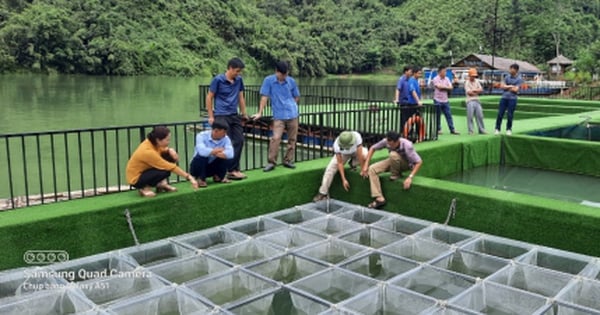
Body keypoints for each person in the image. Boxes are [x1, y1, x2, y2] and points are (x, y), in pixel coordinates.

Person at [252, 61, 300, 172]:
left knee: (292, 139)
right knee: (276, 138)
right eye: (282, 74)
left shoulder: (291, 81)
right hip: (279, 115)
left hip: (292, 114)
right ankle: (271, 162)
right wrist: (260, 112)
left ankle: (288, 160)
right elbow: (264, 97)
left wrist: (291, 104)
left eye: (286, 74)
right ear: (276, 71)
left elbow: (296, 96)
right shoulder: (269, 81)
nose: (284, 76)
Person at [206, 57, 249, 180]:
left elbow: (241, 97)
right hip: (221, 114)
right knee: (227, 143)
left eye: (239, 71)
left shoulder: (239, 80)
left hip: (234, 114)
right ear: (230, 68)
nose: (238, 73)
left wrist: (244, 113)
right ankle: (221, 172)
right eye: (236, 70)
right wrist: (211, 116)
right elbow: (209, 97)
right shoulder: (218, 80)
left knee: (239, 140)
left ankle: (233, 169)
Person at [126, 126, 198, 197]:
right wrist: (189, 177)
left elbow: (161, 150)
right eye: (167, 140)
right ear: (158, 140)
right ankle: (144, 188)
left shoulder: (152, 143)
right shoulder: (148, 152)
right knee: (166, 169)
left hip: (145, 171)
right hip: (136, 179)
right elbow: (169, 167)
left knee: (168, 159)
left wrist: (170, 150)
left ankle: (161, 184)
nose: (168, 142)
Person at [362, 131, 423, 209]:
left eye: (391, 144)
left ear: (397, 141)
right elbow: (372, 148)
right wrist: (366, 165)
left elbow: (419, 162)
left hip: (406, 164)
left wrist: (410, 177)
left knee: (393, 154)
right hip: (393, 160)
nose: (389, 145)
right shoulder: (386, 141)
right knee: (372, 169)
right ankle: (379, 198)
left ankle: (395, 174)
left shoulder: (407, 145)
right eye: (388, 143)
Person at [313, 131, 368, 202]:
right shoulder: (336, 145)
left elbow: (360, 154)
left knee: (366, 155)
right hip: (343, 154)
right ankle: (323, 193)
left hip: (356, 152)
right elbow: (340, 163)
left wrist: (363, 169)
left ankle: (353, 163)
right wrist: (344, 179)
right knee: (330, 169)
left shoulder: (357, 136)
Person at [189, 122, 234, 187]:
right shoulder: (201, 136)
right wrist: (217, 150)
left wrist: (211, 152)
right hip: (197, 167)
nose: (225, 134)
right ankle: (201, 179)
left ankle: (219, 176)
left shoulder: (226, 138)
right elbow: (202, 152)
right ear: (216, 131)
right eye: (223, 132)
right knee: (201, 157)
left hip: (212, 166)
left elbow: (230, 154)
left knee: (226, 157)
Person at [494, 63, 523, 136]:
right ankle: (497, 128)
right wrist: (510, 86)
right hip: (504, 98)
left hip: (512, 99)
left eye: (511, 69)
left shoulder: (519, 79)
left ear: (515, 70)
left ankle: (508, 129)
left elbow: (516, 90)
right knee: (500, 113)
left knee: (510, 114)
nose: (510, 70)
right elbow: (502, 86)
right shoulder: (507, 77)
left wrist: (507, 87)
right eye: (510, 69)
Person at [431, 65, 459, 135]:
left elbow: (451, 87)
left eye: (445, 71)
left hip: (445, 100)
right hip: (437, 99)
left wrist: (444, 87)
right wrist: (446, 87)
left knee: (448, 115)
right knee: (438, 115)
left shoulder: (447, 79)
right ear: (440, 72)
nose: (445, 73)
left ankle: (452, 129)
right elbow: (439, 87)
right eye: (444, 71)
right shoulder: (435, 79)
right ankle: (438, 129)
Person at [464, 68, 487, 135]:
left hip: (477, 100)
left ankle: (481, 129)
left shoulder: (477, 81)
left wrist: (474, 91)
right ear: (469, 75)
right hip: (469, 101)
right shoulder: (467, 82)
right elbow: (469, 93)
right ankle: (471, 130)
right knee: (470, 116)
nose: (474, 77)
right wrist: (476, 91)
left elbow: (481, 90)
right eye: (472, 76)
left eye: (474, 76)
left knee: (480, 115)